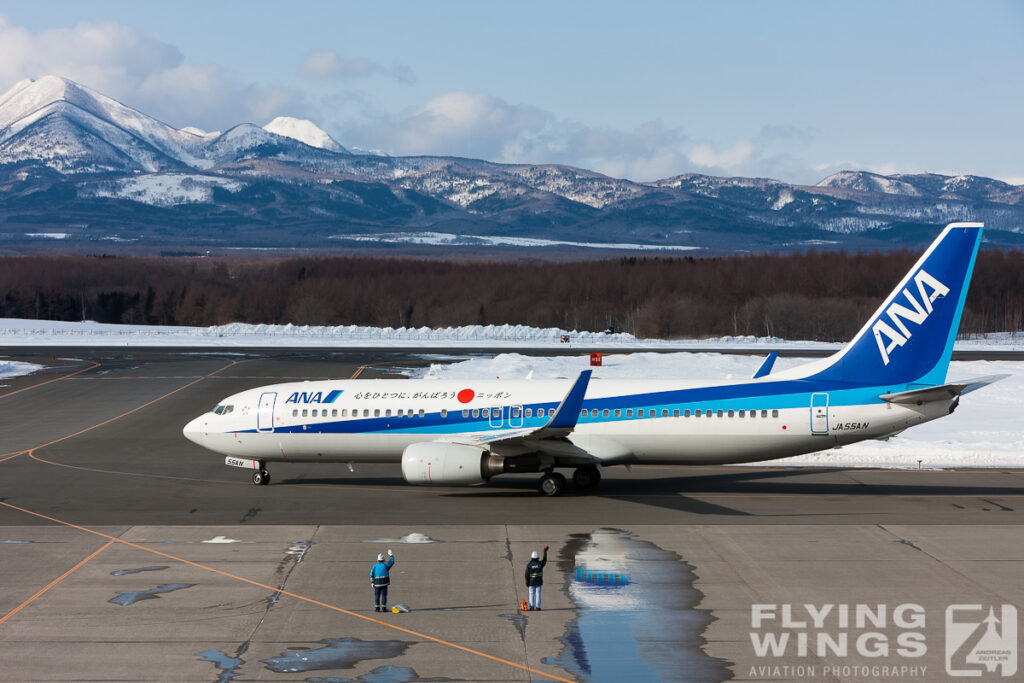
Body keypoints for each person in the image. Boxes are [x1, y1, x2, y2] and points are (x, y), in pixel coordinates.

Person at [524, 546, 548, 610]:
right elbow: (545, 560)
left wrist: (527, 582)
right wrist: (545, 552)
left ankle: (531, 606)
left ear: (531, 557)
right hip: (539, 582)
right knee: (538, 594)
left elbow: (526, 574)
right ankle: (538, 607)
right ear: (538, 558)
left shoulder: (529, 565)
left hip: (531, 582)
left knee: (531, 594)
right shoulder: (540, 564)